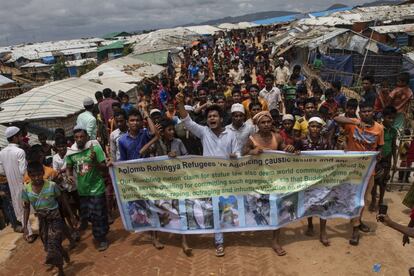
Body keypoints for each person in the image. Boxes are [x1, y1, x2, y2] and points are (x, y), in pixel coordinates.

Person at [176, 91, 240, 257]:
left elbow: (238, 154)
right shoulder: (204, 132)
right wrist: (181, 103)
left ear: (221, 118)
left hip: (227, 179)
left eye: (215, 116)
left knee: (226, 208)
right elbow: (187, 121)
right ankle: (218, 241)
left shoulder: (231, 134)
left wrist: (235, 156)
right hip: (208, 179)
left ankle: (230, 231)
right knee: (211, 209)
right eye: (209, 116)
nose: (212, 118)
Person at [242, 111, 295, 256]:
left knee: (276, 209)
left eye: (268, 122)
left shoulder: (277, 137)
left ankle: (275, 241)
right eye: (262, 122)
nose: (266, 125)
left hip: (275, 181)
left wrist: (289, 149)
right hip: (258, 181)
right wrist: (252, 151)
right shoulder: (252, 138)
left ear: (272, 123)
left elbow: (285, 150)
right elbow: (243, 153)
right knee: (256, 209)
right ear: (257, 125)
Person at [334, 101, 384, 246]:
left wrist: (378, 155)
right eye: (363, 112)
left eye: (369, 111)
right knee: (351, 197)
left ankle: (356, 229)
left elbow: (380, 147)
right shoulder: (353, 123)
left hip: (369, 170)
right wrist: (355, 122)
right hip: (352, 169)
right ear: (359, 113)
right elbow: (337, 119)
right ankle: (356, 220)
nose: (366, 114)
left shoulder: (379, 128)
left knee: (361, 199)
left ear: (373, 112)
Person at [117, 108, 163, 249]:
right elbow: (123, 161)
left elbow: (155, 134)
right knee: (140, 206)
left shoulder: (144, 134)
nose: (135, 123)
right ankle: (150, 229)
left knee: (152, 204)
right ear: (127, 122)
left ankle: (155, 236)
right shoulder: (122, 140)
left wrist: (146, 114)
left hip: (148, 176)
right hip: (133, 178)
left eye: (137, 120)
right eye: (132, 120)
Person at [22, 162, 77, 276]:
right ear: (29, 176)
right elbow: (26, 208)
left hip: (55, 218)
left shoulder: (52, 185)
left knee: (52, 245)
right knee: (48, 245)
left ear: (43, 173)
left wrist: (71, 215)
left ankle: (61, 270)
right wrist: (25, 227)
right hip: (42, 220)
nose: (36, 178)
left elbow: (62, 199)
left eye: (39, 174)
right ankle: (63, 252)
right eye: (33, 175)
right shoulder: (26, 190)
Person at [66, 126, 110, 251]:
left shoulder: (94, 148)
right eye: (76, 137)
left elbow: (104, 167)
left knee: (97, 214)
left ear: (86, 137)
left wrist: (94, 161)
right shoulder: (71, 152)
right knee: (90, 214)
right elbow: (69, 166)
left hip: (97, 187)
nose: (79, 139)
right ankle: (104, 227)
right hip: (82, 190)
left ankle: (101, 238)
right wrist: (69, 175)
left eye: (81, 137)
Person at [153, 119, 191, 255]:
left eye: (173, 129)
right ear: (162, 132)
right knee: (158, 209)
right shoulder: (157, 143)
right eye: (169, 130)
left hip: (177, 182)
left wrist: (177, 159)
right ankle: (155, 237)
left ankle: (184, 241)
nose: (172, 132)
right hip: (161, 183)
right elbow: (147, 157)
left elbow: (187, 158)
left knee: (180, 209)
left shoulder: (178, 142)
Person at [295, 117, 331, 246]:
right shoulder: (301, 141)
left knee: (324, 202)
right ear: (308, 127)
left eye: (317, 126)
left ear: (321, 128)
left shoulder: (326, 142)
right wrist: (296, 152)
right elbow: (294, 155)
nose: (315, 129)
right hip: (307, 178)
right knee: (309, 202)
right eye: (312, 126)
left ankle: (323, 232)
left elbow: (332, 157)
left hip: (322, 177)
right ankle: (310, 225)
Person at [0, 126, 36, 242]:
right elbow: (23, 170)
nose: (21, 138)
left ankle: (28, 234)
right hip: (24, 183)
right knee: (37, 205)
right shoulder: (19, 151)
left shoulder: (2, 152)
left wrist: (10, 173)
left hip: (12, 185)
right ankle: (45, 229)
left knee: (20, 209)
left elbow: (1, 171)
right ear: (15, 137)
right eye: (20, 136)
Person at [370, 106, 397, 211]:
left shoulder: (394, 131)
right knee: (375, 181)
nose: (391, 120)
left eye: (393, 118)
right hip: (378, 159)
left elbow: (394, 147)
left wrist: (395, 162)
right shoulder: (378, 128)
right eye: (389, 118)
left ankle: (381, 200)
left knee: (384, 182)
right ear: (384, 117)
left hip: (388, 158)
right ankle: (373, 200)